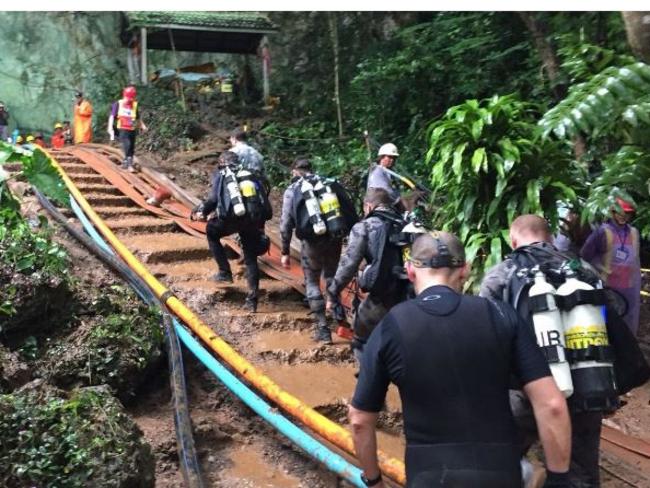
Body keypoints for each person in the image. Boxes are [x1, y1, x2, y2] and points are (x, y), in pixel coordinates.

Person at [350, 231, 571, 488]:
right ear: (464, 270)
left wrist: (373, 479)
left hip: (429, 477)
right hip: (500, 474)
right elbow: (552, 405)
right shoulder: (500, 315)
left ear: (410, 271)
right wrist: (558, 479)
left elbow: (359, 420)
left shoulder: (392, 326)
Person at [480, 214, 605, 488]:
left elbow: (486, 336)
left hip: (523, 393)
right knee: (580, 473)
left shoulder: (503, 273)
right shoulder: (585, 271)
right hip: (585, 387)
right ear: (549, 237)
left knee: (500, 460)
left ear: (513, 240)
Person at [280, 158, 357, 344]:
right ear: (310, 169)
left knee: (312, 281)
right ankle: (341, 322)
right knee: (331, 277)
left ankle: (323, 330)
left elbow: (285, 225)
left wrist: (285, 251)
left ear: (294, 171)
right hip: (334, 237)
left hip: (311, 242)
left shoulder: (293, 190)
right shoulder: (328, 184)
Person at [326, 188, 409, 360]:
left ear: (368, 206)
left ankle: (369, 382)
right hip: (410, 294)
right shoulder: (405, 224)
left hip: (382, 296)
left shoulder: (364, 226)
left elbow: (348, 264)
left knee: (361, 340)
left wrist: (333, 291)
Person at [191, 150, 272, 313]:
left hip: (230, 220)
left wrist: (203, 212)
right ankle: (252, 300)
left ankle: (224, 272)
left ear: (222, 163)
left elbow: (213, 200)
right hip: (251, 221)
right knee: (251, 259)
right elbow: (264, 201)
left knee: (211, 232)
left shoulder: (222, 174)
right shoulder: (250, 175)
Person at [580, 197, 641, 336]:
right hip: (608, 287)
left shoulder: (634, 233)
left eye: (627, 213)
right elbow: (585, 255)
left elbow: (635, 261)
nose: (623, 216)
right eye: (620, 212)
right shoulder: (602, 232)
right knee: (606, 321)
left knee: (627, 323)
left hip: (629, 287)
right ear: (612, 212)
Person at [108, 85, 147, 173]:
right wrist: (110, 127)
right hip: (122, 128)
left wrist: (142, 125)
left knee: (132, 147)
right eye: (129, 98)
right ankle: (129, 164)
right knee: (127, 144)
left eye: (131, 98)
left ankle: (126, 162)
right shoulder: (118, 104)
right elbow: (112, 116)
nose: (130, 100)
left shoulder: (134, 105)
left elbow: (137, 117)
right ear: (125, 96)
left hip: (132, 129)